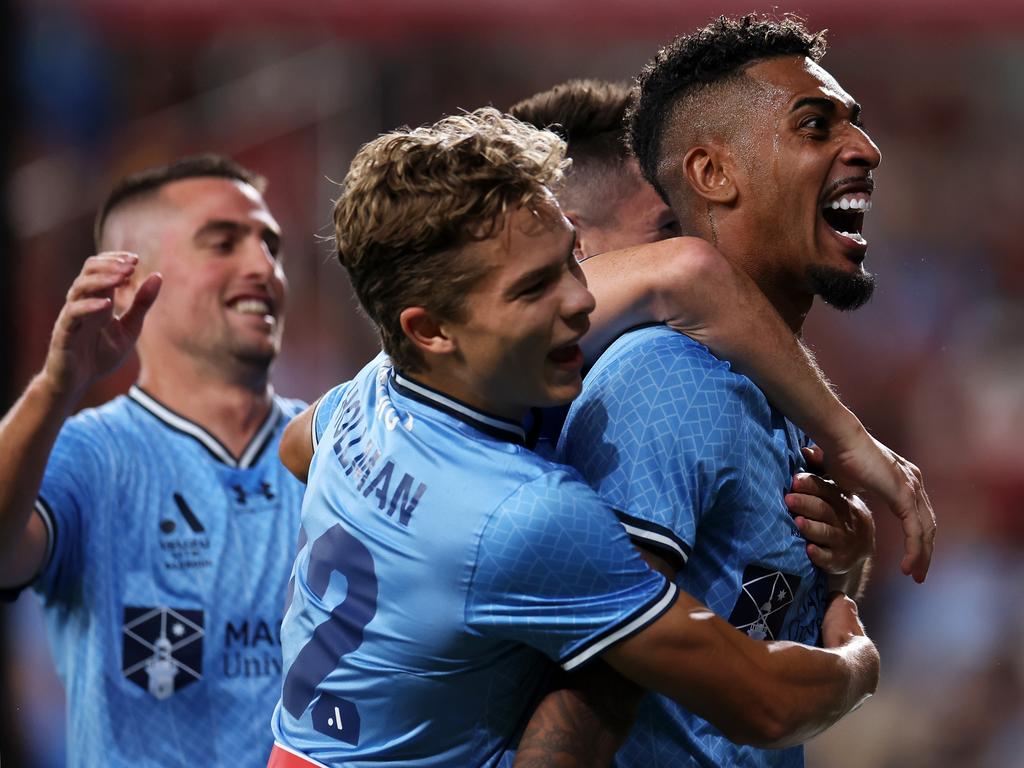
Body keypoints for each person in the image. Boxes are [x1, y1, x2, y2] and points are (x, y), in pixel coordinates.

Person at [268, 107, 881, 768]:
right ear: (431, 330)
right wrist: (854, 656)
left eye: (570, 263)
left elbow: (296, 446)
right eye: (534, 289)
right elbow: (766, 704)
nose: (582, 301)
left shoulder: (373, 392)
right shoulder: (523, 516)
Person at [553, 14, 936, 768]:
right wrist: (853, 671)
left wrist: (835, 572)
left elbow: (741, 618)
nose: (864, 148)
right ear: (713, 174)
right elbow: (589, 687)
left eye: (853, 123)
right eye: (815, 124)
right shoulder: (665, 380)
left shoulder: (769, 395)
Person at [0, 155, 307, 767]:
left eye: (269, 245)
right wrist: (56, 385)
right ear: (132, 279)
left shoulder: (340, 448)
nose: (263, 267)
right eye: (224, 242)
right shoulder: (88, 453)